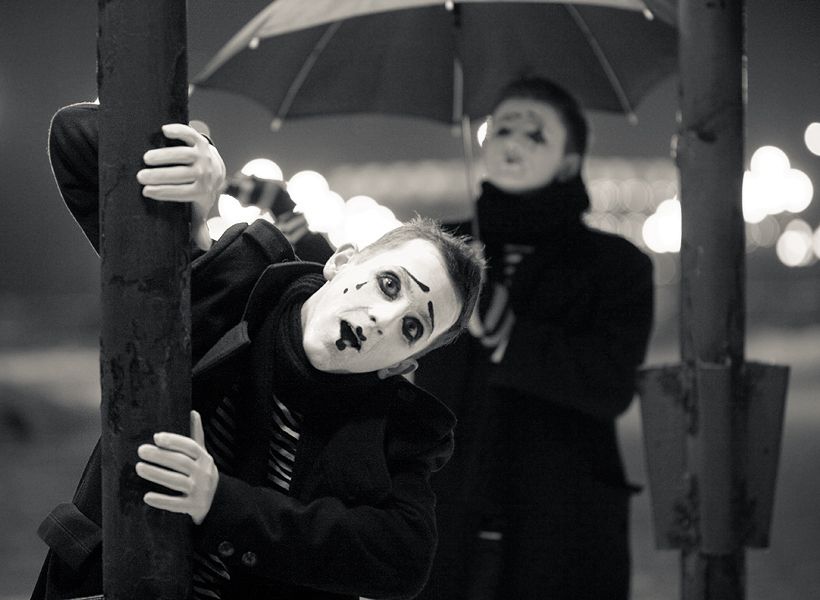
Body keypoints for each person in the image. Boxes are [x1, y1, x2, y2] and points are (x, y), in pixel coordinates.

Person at [32, 103, 485, 600]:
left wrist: (219, 502)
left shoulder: (396, 432)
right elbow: (78, 137)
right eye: (389, 283)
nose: (385, 319)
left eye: (413, 327)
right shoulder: (231, 286)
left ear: (402, 363)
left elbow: (402, 559)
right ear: (341, 262)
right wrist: (199, 169)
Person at [414, 78, 654, 600]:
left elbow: (611, 384)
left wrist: (511, 337)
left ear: (569, 162)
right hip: (444, 513)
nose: (513, 142)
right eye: (502, 129)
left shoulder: (616, 266)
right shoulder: (438, 252)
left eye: (535, 134)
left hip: (564, 521)